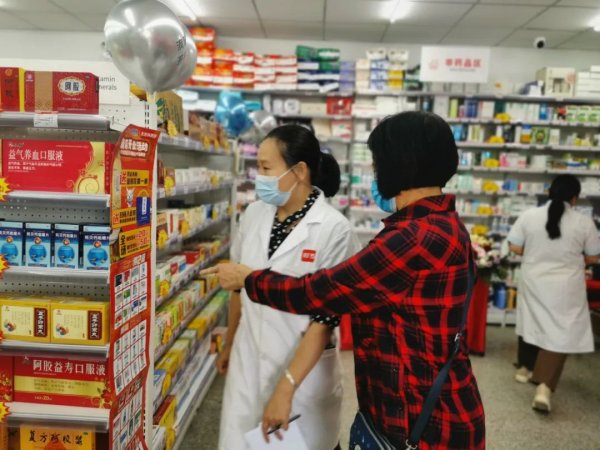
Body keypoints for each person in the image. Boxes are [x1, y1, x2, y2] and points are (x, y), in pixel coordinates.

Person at [205, 111, 486, 450]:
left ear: (400, 163)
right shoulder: (441, 224)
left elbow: (319, 293)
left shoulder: (412, 238)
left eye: (378, 162)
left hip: (421, 422)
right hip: (423, 407)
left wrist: (249, 279)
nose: (376, 172)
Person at [216, 124, 359, 450]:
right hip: (248, 364)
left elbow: (324, 319)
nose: (259, 177)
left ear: (299, 171)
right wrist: (230, 342)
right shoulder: (254, 214)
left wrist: (286, 388)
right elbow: (239, 286)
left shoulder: (334, 230)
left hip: (302, 377)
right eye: (258, 167)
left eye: (266, 168)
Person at [507, 174, 600, 413]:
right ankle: (544, 387)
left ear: (549, 192)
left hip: (534, 280)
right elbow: (593, 256)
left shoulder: (529, 216)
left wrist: (536, 253)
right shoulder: (584, 222)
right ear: (575, 199)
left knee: (532, 322)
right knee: (561, 332)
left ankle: (525, 368)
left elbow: (515, 246)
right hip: (566, 286)